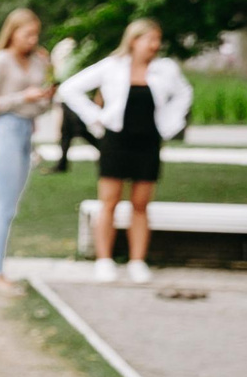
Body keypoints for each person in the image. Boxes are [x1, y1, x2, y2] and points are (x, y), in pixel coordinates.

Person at [60, 18, 192, 284]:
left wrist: (169, 123)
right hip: (116, 141)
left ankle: (137, 261)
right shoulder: (112, 66)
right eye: (150, 39)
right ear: (134, 40)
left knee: (141, 204)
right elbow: (69, 88)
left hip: (149, 142)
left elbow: (184, 93)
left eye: (157, 40)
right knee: (108, 202)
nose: (155, 45)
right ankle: (104, 260)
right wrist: (96, 117)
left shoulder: (165, 69)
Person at [0, 8, 55, 287]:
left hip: (27, 133)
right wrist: (22, 97)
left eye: (36, 34)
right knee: (4, 204)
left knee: (12, 205)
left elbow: (40, 106)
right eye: (27, 34)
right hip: (6, 131)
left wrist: (45, 97)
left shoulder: (38, 61)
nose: (33, 39)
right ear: (12, 32)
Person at [47, 37, 98, 174]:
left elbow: (63, 74)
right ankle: (62, 164)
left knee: (79, 130)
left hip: (75, 100)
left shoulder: (80, 51)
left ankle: (105, 152)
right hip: (66, 99)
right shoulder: (70, 50)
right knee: (67, 133)